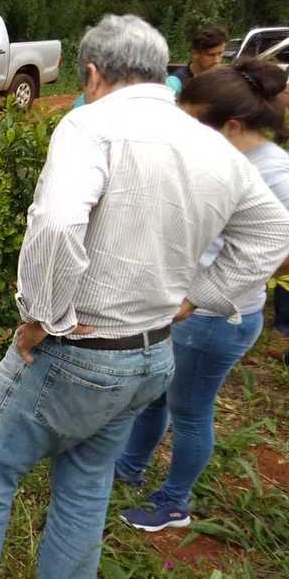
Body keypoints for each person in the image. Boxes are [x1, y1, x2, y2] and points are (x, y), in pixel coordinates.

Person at [0, 15, 289, 579]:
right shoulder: (215, 145)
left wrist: (40, 318)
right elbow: (272, 231)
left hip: (78, 351)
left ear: (94, 74)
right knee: (86, 485)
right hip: (152, 355)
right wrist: (199, 296)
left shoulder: (90, 127)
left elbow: (54, 224)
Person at [115, 59, 289, 532]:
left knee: (190, 412)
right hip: (183, 310)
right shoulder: (223, 157)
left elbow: (276, 250)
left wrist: (201, 294)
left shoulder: (274, 174)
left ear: (231, 125)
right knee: (156, 398)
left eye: (191, 124)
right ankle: (128, 467)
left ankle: (174, 502)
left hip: (214, 320)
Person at [166, 25, 228, 92]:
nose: (217, 60)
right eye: (211, 55)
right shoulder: (174, 83)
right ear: (195, 54)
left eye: (220, 53)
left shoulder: (222, 79)